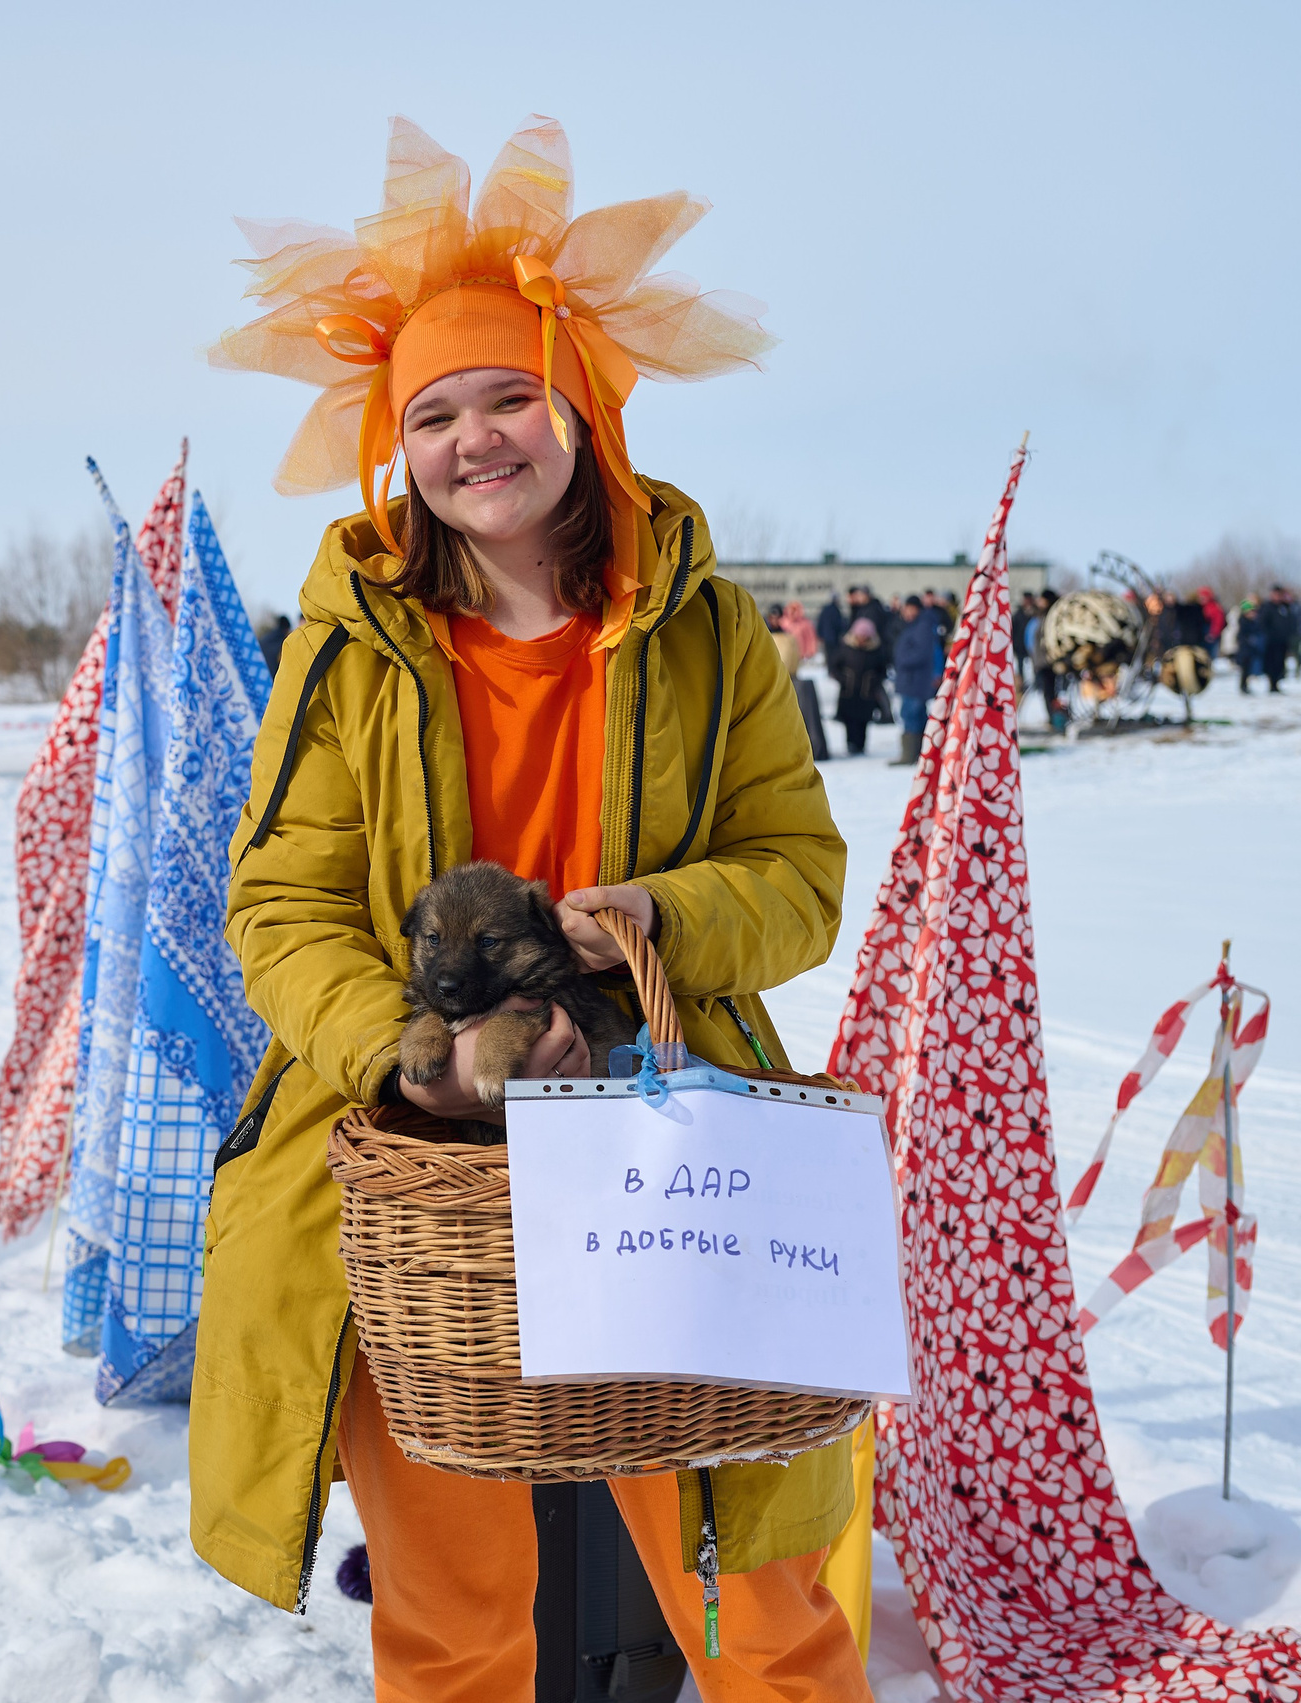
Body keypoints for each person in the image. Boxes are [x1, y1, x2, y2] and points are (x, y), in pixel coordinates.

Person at [199, 117, 863, 1698]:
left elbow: (801, 875)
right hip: (421, 1158)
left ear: (582, 409)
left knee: (758, 1584)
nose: (476, 438)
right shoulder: (349, 639)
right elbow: (280, 898)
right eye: (433, 412)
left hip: (667, 1122)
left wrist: (666, 915)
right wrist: (399, 1054)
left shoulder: (705, 629)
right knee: (455, 1604)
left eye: (510, 395)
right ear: (396, 447)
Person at [889, 592, 944, 765]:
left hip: (915, 680)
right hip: (913, 679)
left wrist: (902, 659)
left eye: (910, 609)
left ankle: (910, 755)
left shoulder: (922, 626)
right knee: (917, 715)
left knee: (911, 715)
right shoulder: (916, 625)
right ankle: (920, 754)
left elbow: (921, 653)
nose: (907, 612)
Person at [830, 616, 890, 756]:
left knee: (864, 720)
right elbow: (834, 666)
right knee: (849, 720)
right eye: (860, 635)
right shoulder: (846, 648)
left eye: (865, 636)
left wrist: (875, 680)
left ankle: (861, 745)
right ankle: (851, 744)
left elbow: (882, 669)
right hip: (848, 691)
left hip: (866, 692)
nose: (862, 638)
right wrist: (842, 678)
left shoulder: (876, 650)